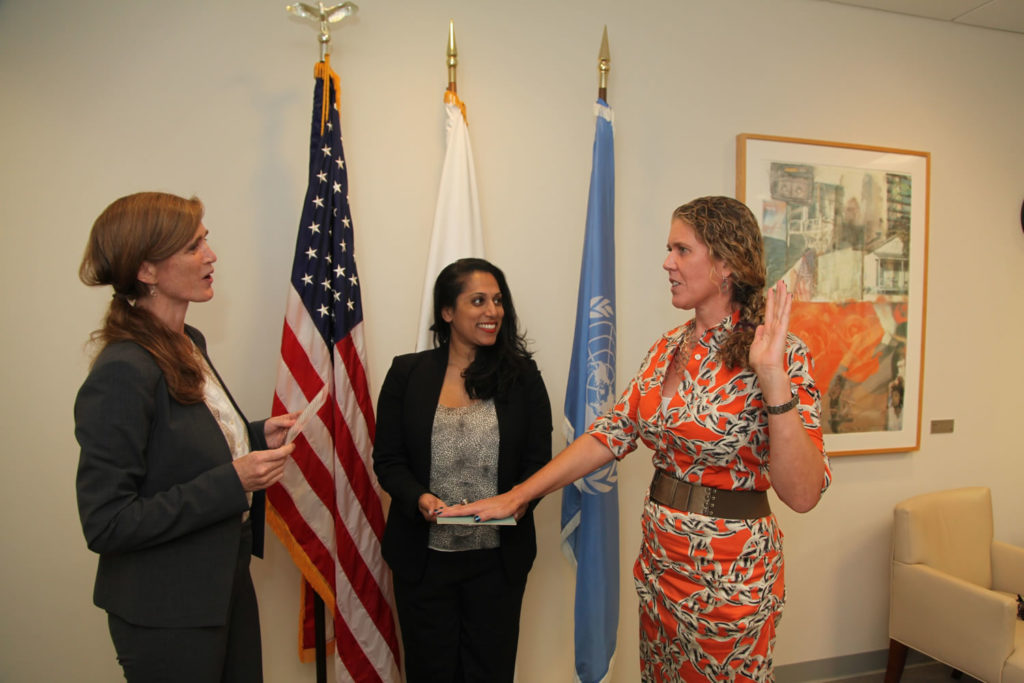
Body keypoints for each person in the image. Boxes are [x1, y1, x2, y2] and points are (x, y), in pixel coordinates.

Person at [445, 197, 832, 682]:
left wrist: (772, 377)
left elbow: (802, 494)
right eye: (668, 248)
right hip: (660, 561)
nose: (667, 262)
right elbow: (612, 433)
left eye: (681, 250)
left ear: (725, 263)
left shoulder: (780, 353)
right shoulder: (668, 347)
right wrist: (520, 495)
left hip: (730, 575)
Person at [74, 192, 298, 683]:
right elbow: (108, 522)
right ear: (148, 271)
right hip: (167, 609)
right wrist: (233, 481)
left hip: (224, 585)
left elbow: (181, 447)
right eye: (193, 247)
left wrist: (254, 436)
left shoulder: (187, 342)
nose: (211, 256)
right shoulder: (123, 370)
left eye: (206, 242)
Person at [372, 258, 552, 682]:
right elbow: (389, 460)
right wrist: (419, 498)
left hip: (497, 564)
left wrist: (521, 501)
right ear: (447, 312)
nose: (493, 311)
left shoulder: (522, 376)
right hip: (423, 561)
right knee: (429, 672)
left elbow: (537, 461)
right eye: (478, 301)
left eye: (497, 300)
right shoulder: (407, 373)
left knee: (490, 672)